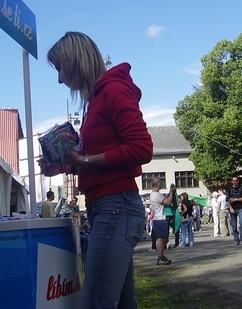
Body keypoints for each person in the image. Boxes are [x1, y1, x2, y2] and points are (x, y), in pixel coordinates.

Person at [40, 31, 154, 308]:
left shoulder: (112, 91)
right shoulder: (96, 100)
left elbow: (142, 149)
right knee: (122, 302)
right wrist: (64, 166)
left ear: (74, 62)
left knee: (96, 302)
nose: (59, 79)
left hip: (116, 208)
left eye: (60, 69)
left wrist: (83, 162)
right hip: (111, 208)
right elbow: (100, 157)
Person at [150, 179, 175, 265]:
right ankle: (160, 257)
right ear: (158, 184)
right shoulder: (156, 195)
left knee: (164, 239)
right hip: (160, 219)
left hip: (158, 219)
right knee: (161, 239)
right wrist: (171, 192)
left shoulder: (153, 195)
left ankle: (161, 256)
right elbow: (168, 202)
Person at [226, 177, 242, 245]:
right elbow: (227, 200)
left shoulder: (241, 188)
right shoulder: (229, 189)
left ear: (238, 181)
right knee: (234, 225)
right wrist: (231, 208)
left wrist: (235, 199)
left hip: (239, 208)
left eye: (236, 180)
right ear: (232, 181)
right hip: (232, 208)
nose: (234, 182)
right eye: (233, 180)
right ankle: (236, 239)